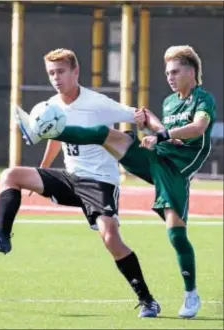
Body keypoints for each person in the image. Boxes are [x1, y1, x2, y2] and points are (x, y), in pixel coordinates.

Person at [19, 45, 216, 319]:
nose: (169, 77)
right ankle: (47, 129)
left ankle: (191, 293)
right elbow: (156, 128)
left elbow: (198, 128)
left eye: (175, 71)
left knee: (176, 233)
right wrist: (149, 126)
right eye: (167, 72)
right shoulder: (170, 102)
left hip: (175, 172)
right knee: (105, 134)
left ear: (191, 71)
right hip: (155, 157)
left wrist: (162, 134)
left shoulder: (203, 99)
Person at [0, 48, 160, 318]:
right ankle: (1, 236)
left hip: (100, 182)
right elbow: (56, 136)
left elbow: (139, 114)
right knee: (11, 175)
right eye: (51, 73)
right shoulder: (51, 106)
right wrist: (43, 170)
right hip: (70, 179)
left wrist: (162, 133)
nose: (56, 78)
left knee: (110, 238)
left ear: (75, 72)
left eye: (61, 72)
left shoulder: (97, 103)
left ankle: (147, 300)